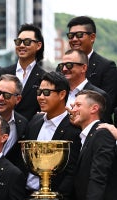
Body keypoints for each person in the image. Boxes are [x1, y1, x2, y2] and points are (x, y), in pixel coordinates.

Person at [24, 71, 81, 200]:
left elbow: (72, 172)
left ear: (62, 94)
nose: (41, 97)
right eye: (39, 92)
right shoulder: (34, 121)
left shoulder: (74, 129)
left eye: (46, 93)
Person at [70, 90, 117, 200]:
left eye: (78, 105)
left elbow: (99, 176)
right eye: (73, 106)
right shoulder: (89, 135)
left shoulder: (102, 133)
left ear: (94, 108)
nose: (74, 109)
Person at [66, 16, 117, 108]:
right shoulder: (62, 67)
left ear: (92, 37)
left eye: (79, 35)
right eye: (71, 35)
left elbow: (108, 104)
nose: (74, 39)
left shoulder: (107, 67)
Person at [0, 23, 46, 121]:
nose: (21, 45)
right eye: (19, 41)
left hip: (30, 132)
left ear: (38, 45)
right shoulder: (2, 74)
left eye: (27, 42)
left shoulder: (44, 78)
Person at [58, 49, 113, 123]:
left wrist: (78, 122)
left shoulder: (99, 96)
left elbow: (102, 129)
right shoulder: (59, 92)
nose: (64, 69)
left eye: (69, 65)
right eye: (62, 65)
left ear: (83, 68)